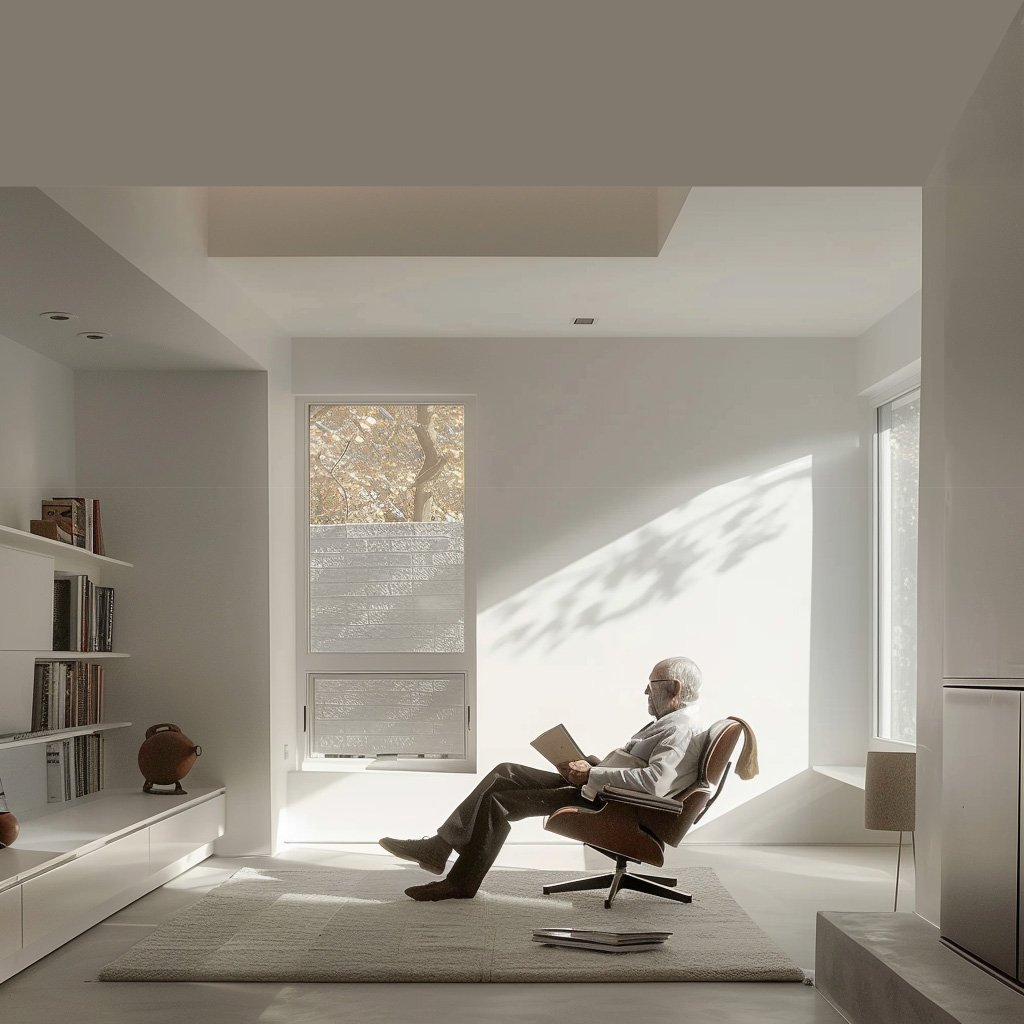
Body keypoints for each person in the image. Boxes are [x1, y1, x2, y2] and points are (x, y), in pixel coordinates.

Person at [378, 656, 707, 901]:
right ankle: (438, 847)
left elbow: (655, 784)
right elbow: (641, 766)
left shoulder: (680, 729)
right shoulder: (673, 722)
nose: (645, 692)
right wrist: (592, 764)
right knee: (506, 771)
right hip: (601, 789)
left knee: (500, 803)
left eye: (651, 685)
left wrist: (591, 773)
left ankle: (461, 881)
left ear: (674, 689)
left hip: (613, 805)